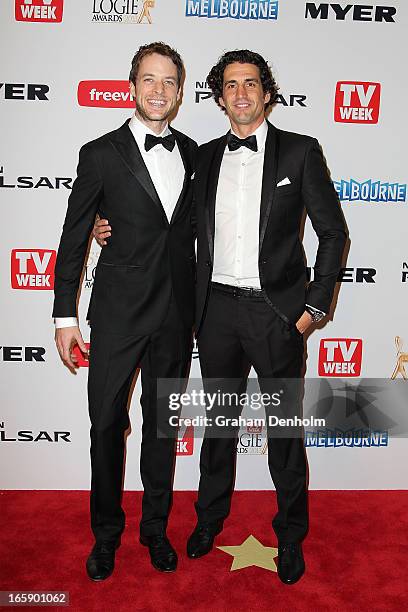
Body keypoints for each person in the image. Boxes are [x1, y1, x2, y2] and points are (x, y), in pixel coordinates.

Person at [94, 49, 347, 585]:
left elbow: (333, 233)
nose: (241, 94)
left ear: (267, 92)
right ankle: (209, 521)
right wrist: (104, 222)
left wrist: (313, 308)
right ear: (217, 95)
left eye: (250, 84)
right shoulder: (201, 157)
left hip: (278, 315)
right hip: (215, 314)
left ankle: (290, 537)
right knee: (219, 428)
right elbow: (158, 217)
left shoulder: (301, 152)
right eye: (230, 85)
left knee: (283, 431)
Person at [53, 42, 197, 580]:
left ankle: (155, 529)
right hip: (115, 315)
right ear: (131, 86)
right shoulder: (99, 154)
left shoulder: (196, 154)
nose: (158, 91)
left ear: (180, 92)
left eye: (169, 82)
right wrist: (64, 317)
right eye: (149, 80)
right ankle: (106, 534)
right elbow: (72, 239)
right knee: (105, 426)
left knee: (162, 428)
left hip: (176, 319)